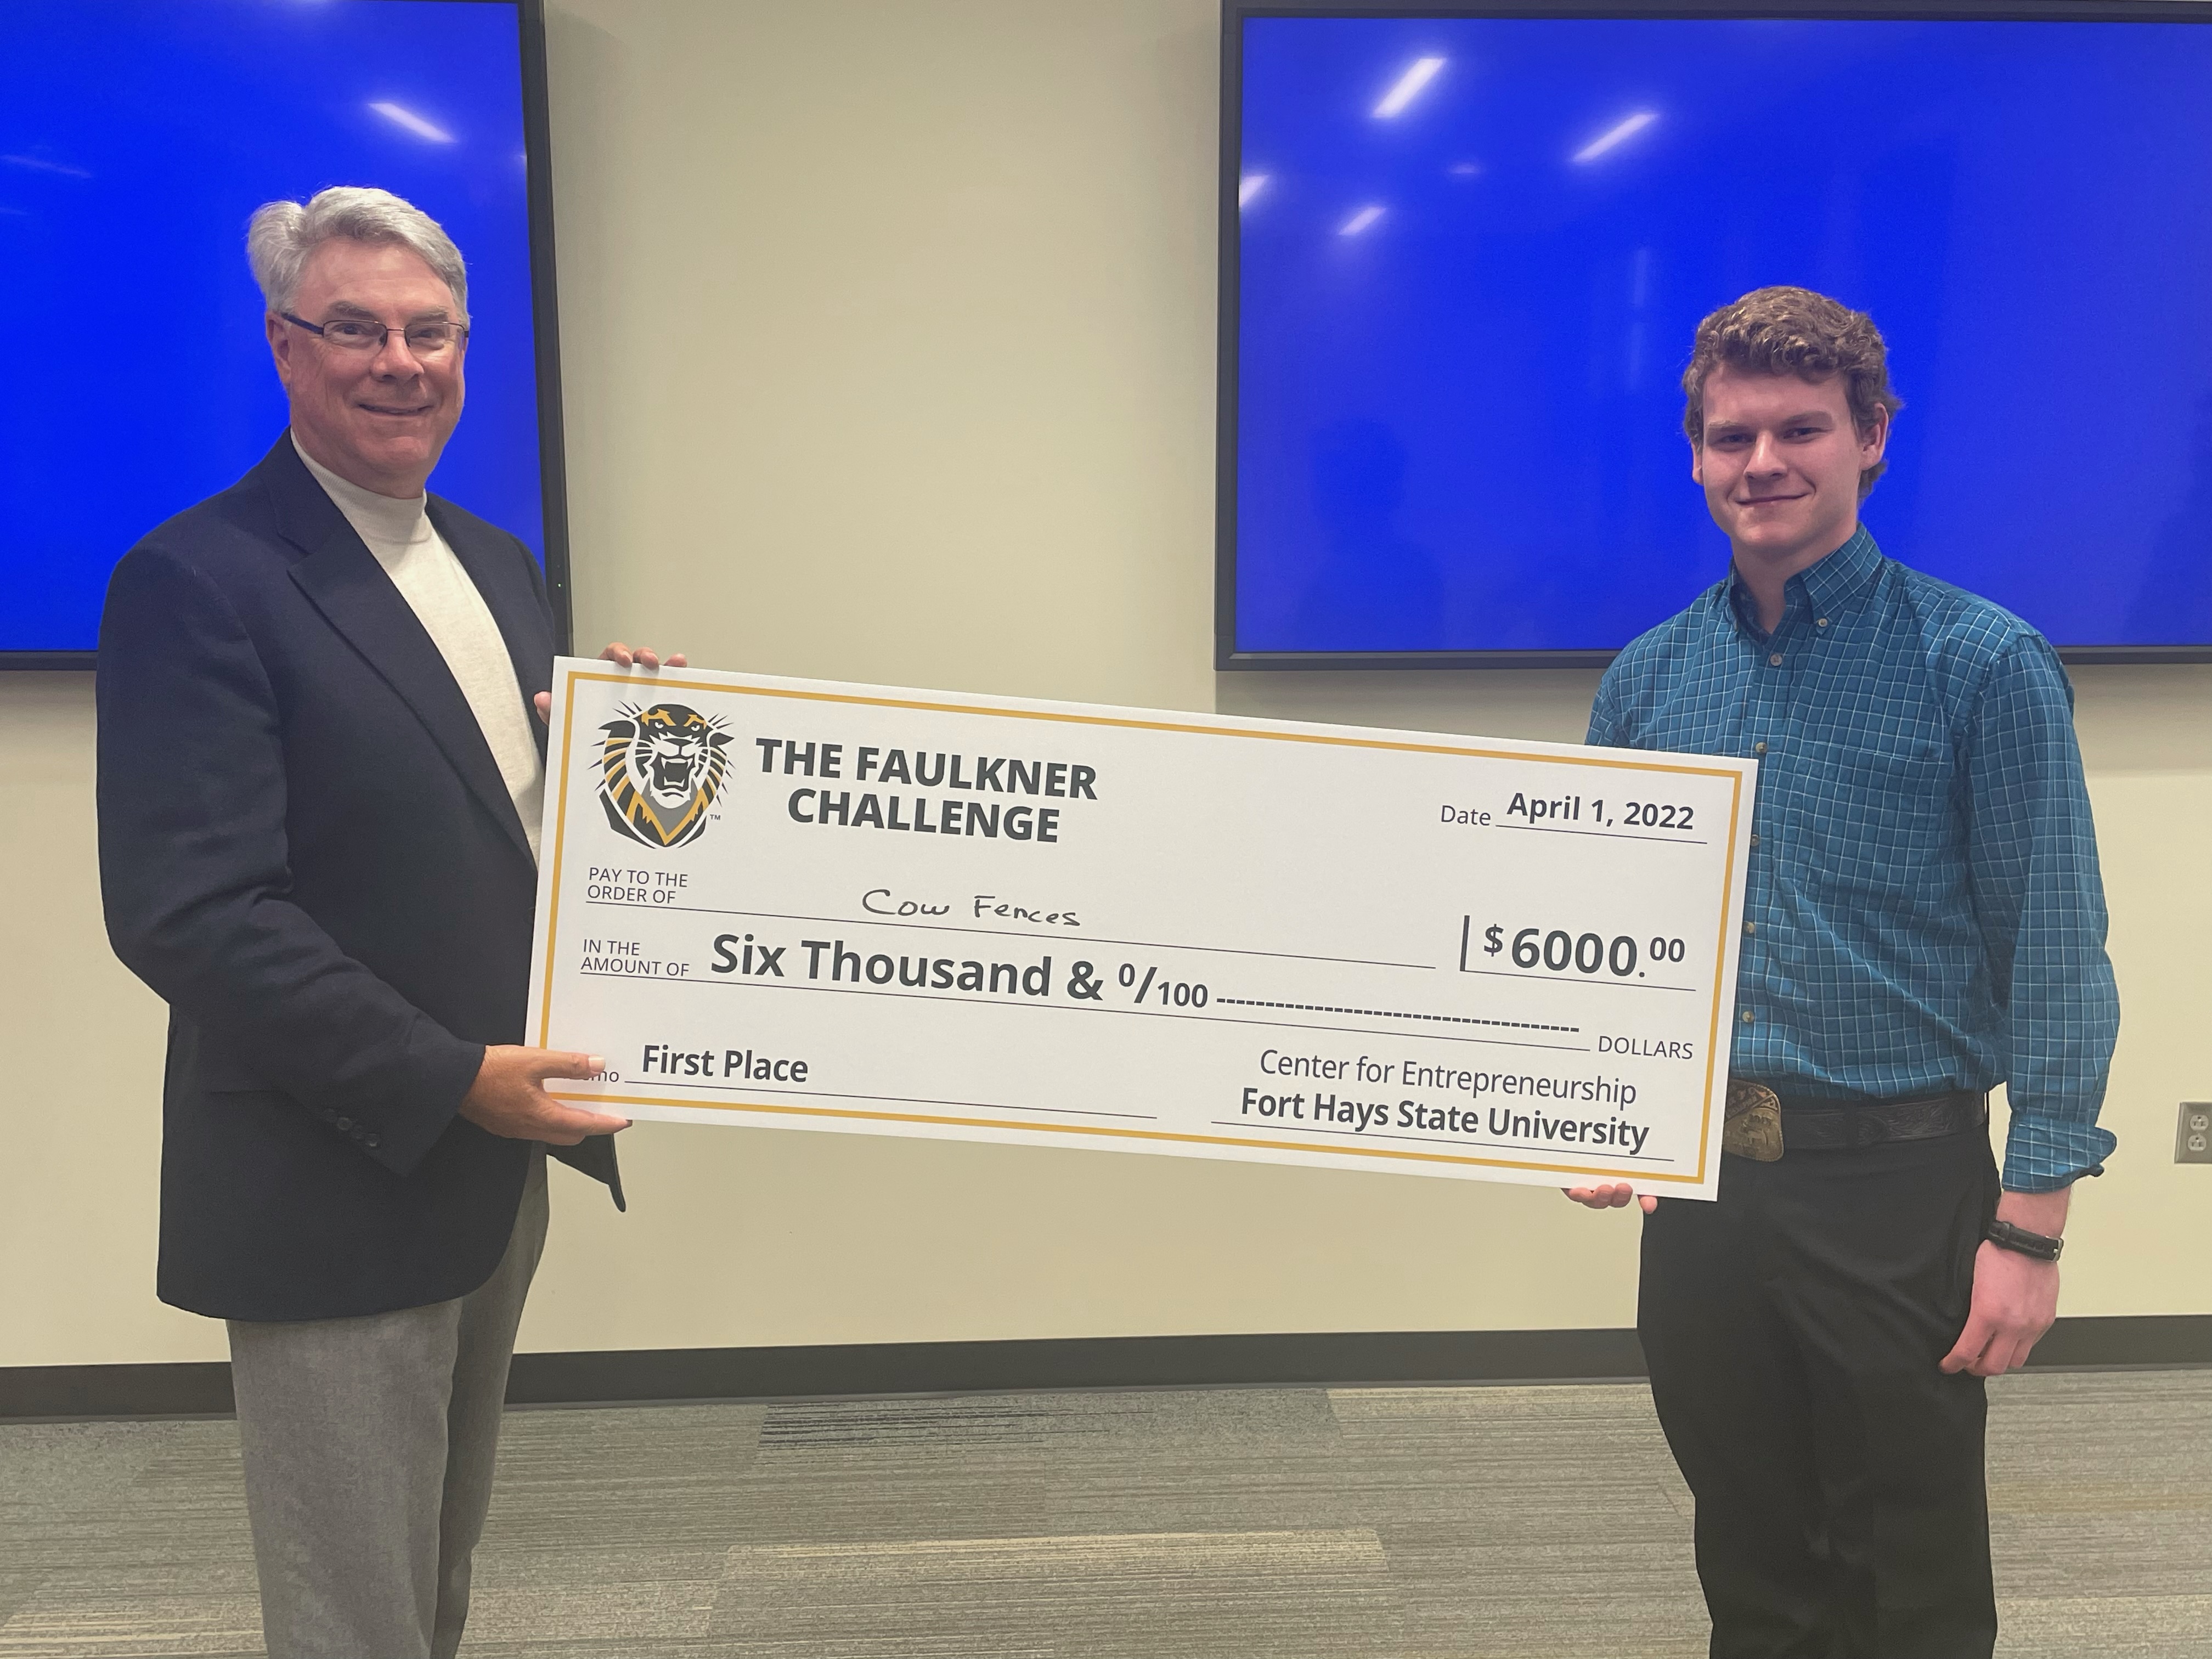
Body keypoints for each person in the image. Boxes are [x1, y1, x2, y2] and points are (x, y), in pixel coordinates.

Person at [96, 186, 680, 1659]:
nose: (399, 362)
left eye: (431, 333)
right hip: (336, 1171)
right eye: (355, 328)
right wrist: (445, 1081)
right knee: (354, 1608)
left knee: (435, 1572)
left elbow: (504, 830)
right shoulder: (196, 581)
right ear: (286, 348)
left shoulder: (495, 563)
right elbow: (192, 912)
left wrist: (650, 746)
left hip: (492, 1167)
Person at [1568, 286, 2119, 1658]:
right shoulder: (1647, 681)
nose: (1763, 463)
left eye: (1801, 429)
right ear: (1694, 452)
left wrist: (2032, 1232)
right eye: (1730, 434)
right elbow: (1613, 936)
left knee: (1907, 1573)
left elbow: (2055, 954)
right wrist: (1584, 1099)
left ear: (1873, 438)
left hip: (1901, 1189)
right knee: (1747, 1544)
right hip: (1704, 1201)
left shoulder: (1981, 664)